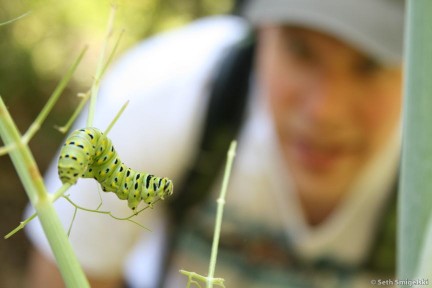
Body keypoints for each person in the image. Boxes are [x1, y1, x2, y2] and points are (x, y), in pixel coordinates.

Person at [25, 0, 405, 287]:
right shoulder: (158, 95)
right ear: (259, 33)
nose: (325, 112)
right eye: (300, 51)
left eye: (370, 65)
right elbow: (68, 269)